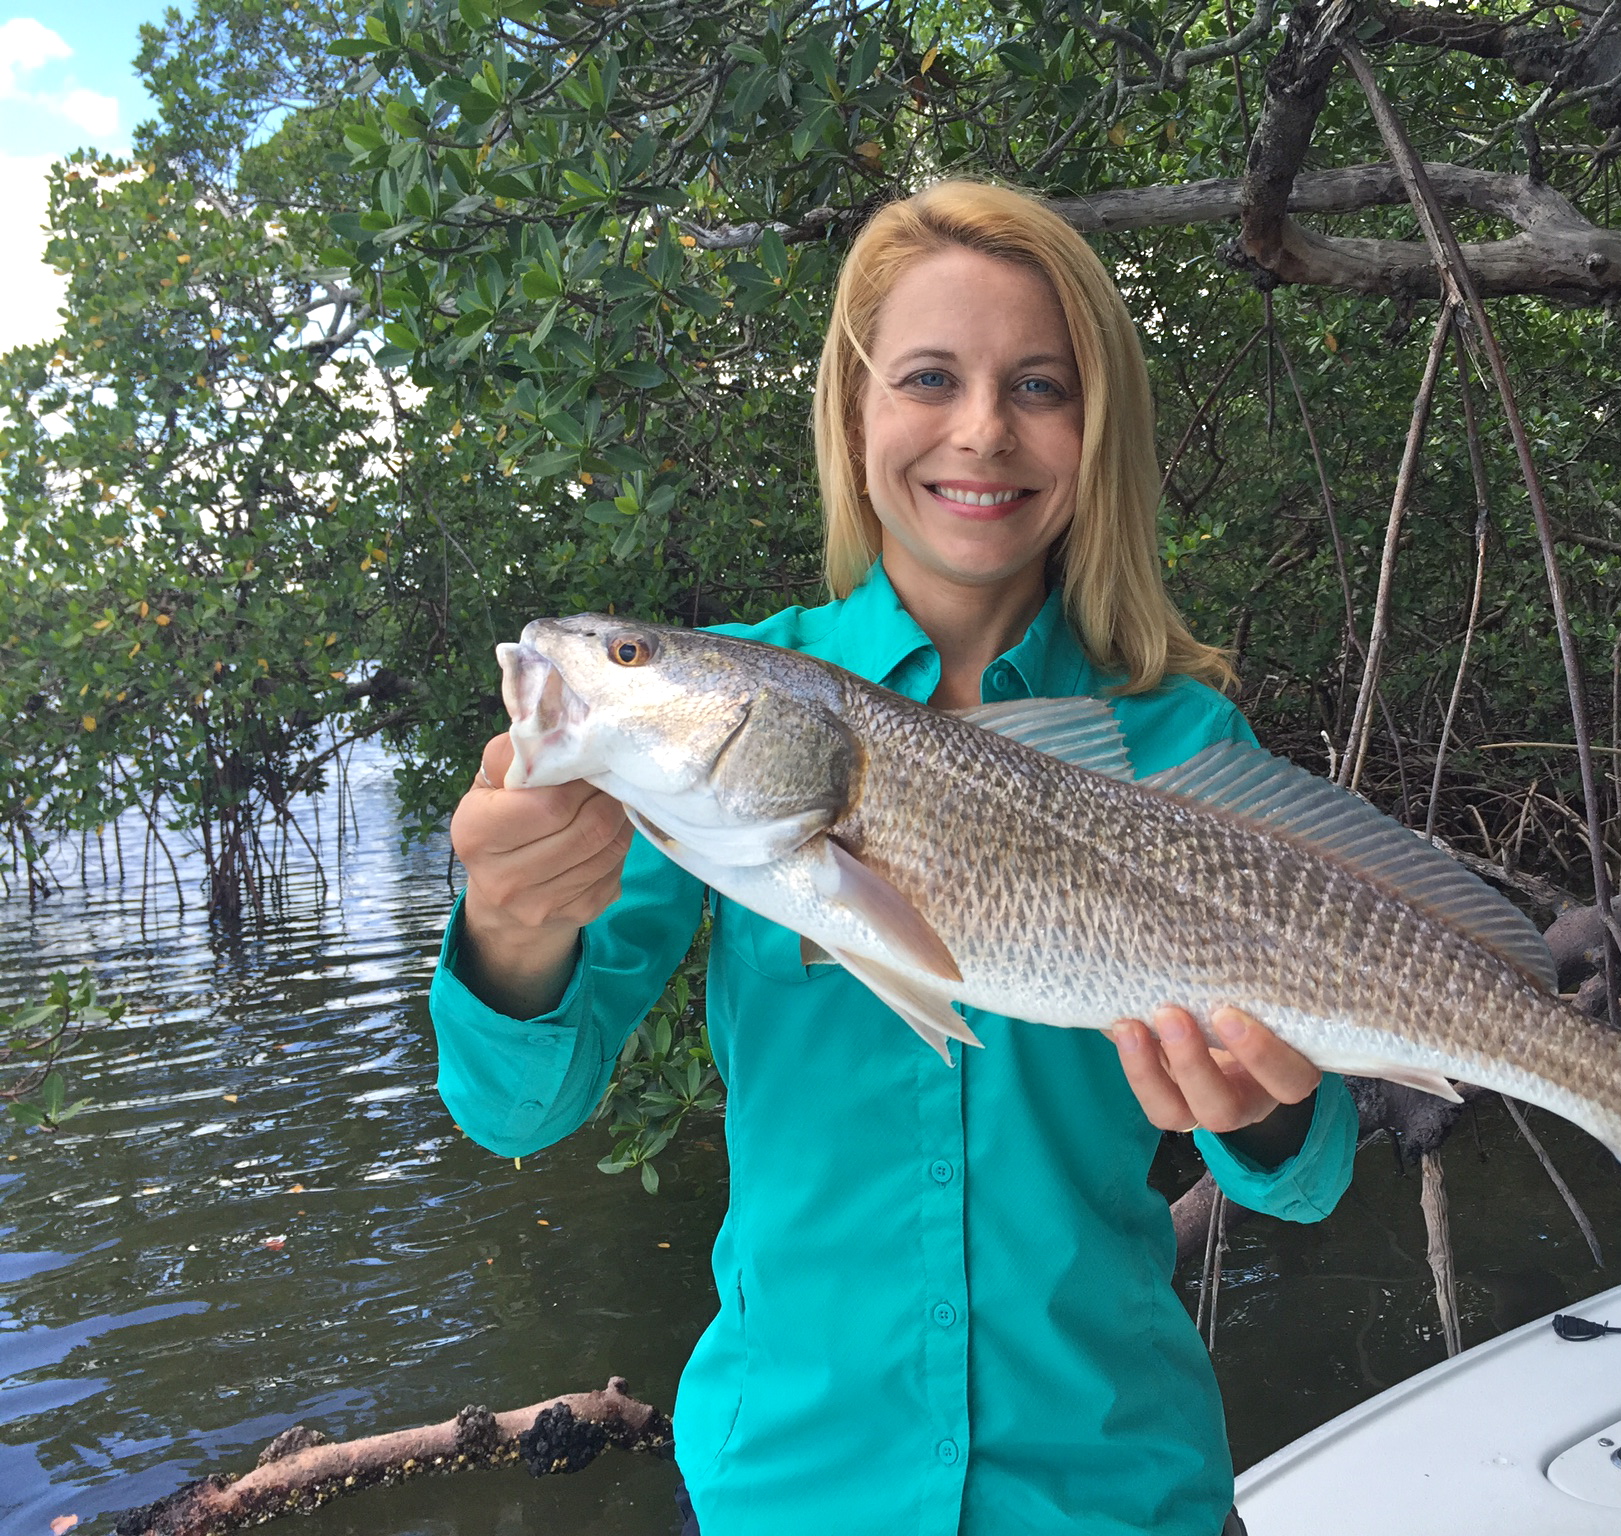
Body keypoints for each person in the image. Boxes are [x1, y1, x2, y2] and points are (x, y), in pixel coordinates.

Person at [433, 180, 1359, 1536]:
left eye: (1039, 385)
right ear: (855, 411)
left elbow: (1311, 1170)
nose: (983, 429)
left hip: (1115, 1488)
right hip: (792, 1490)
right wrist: (513, 927)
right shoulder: (721, 727)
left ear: (1095, 430)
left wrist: (1259, 1109)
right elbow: (519, 1111)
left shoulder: (1178, 740)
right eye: (929, 377)